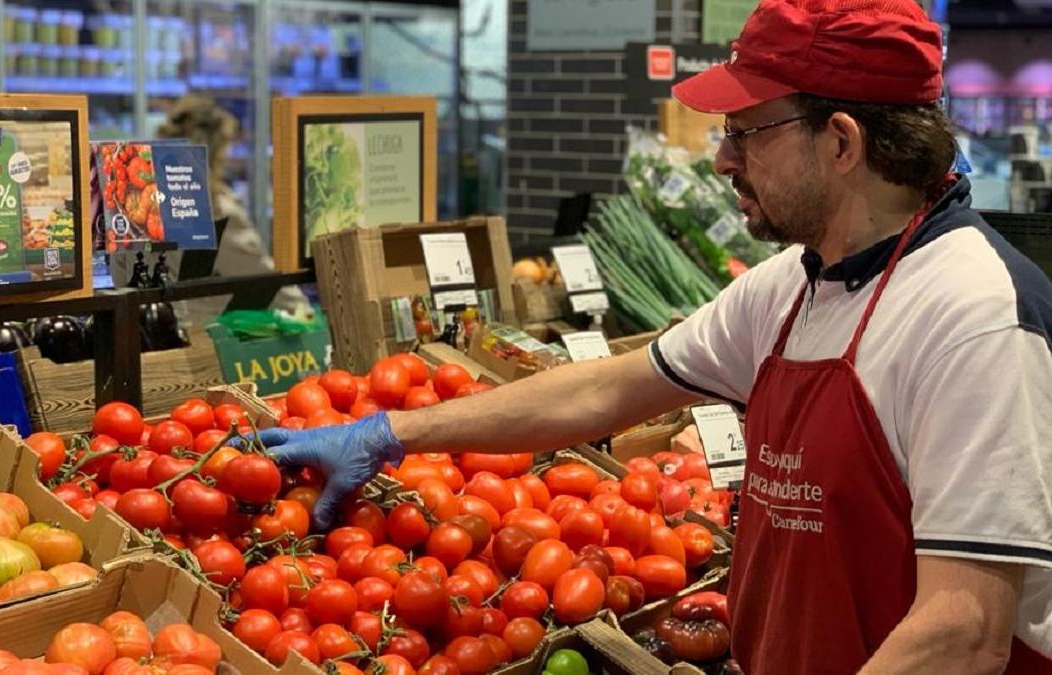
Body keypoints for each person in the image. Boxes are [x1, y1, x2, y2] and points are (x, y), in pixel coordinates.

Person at [257, 1, 1052, 673]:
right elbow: (605, 388)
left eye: (747, 131)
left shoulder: (975, 315)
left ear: (842, 142)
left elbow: (964, 631)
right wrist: (391, 431)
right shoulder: (788, 287)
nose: (722, 159)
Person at [156, 95, 307, 313]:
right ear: (213, 151)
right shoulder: (216, 210)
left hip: (155, 332)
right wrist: (307, 316)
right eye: (226, 145)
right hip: (209, 335)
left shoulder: (144, 203)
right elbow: (262, 278)